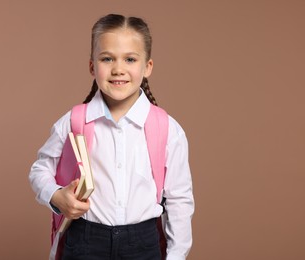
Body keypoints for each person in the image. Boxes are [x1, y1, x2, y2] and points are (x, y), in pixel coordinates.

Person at [29, 13, 194, 260]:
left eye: (130, 59)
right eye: (107, 58)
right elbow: (39, 169)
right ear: (92, 66)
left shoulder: (168, 129)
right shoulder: (74, 121)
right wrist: (56, 197)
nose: (118, 69)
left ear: (147, 66)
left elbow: (179, 201)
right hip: (84, 242)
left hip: (144, 244)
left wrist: (176, 256)